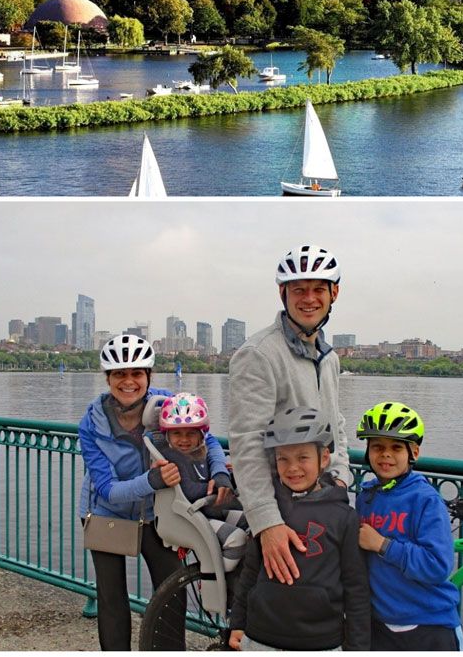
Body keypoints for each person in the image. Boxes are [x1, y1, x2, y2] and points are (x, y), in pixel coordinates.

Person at [79, 333, 229, 651]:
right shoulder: (91, 422)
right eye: (120, 374)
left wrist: (219, 472)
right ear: (108, 378)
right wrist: (152, 480)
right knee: (112, 599)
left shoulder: (167, 405)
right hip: (108, 513)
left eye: (137, 373)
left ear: (148, 375)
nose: (129, 381)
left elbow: (208, 440)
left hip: (159, 514)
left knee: (171, 594)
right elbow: (106, 489)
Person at [229, 245, 352, 588]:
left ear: (334, 294)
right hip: (281, 507)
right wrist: (266, 523)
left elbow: (336, 425)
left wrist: (340, 477)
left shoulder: (328, 358)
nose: (308, 299)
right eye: (299, 289)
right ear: (283, 293)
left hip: (323, 500)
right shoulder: (258, 355)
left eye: (318, 289)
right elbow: (247, 444)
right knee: (273, 612)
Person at [227, 407, 370, 651]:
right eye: (283, 458)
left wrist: (358, 648)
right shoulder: (269, 511)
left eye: (303, 457)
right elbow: (250, 571)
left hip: (320, 642)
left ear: (324, 458)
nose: (293, 468)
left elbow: (356, 589)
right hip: (259, 637)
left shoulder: (344, 517)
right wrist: (237, 622)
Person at [354, 401, 463, 651]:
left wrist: (383, 545)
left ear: (413, 452)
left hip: (428, 624)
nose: (386, 455)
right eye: (377, 447)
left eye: (396, 448)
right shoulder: (367, 497)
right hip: (379, 624)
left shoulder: (425, 500)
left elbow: (437, 565)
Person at [143, 391, 249, 571]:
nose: (184, 440)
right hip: (190, 517)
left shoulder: (202, 454)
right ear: (167, 435)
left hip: (208, 510)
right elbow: (189, 491)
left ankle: (234, 572)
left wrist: (229, 479)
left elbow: (208, 478)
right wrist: (214, 490)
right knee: (236, 539)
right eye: (177, 433)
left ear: (201, 435)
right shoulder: (171, 458)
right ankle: (212, 576)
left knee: (252, 521)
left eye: (191, 434)